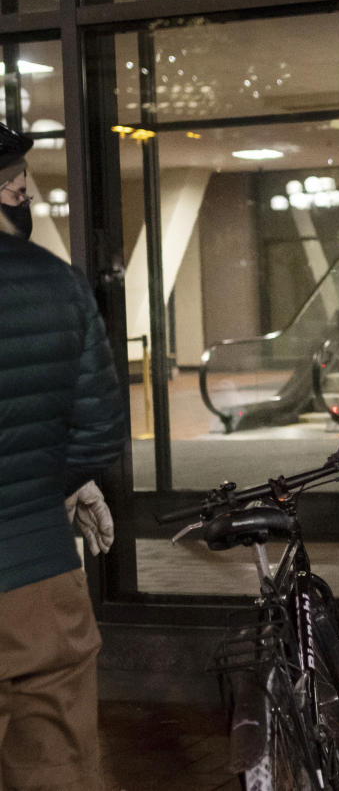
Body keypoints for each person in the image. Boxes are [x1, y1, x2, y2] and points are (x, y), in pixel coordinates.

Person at [0, 122, 126, 790]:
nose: (23, 190)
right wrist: (66, 483)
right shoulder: (57, 285)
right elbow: (99, 426)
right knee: (55, 767)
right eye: (16, 180)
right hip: (38, 582)